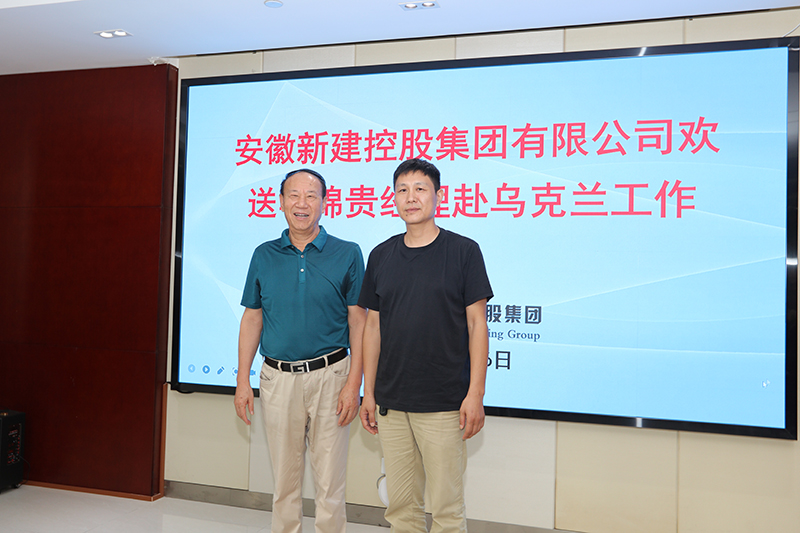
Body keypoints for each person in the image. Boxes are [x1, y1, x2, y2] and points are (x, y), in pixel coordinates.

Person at [358, 158, 493, 533]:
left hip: (444, 403)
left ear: (438, 196)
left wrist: (475, 394)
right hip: (392, 402)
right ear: (394, 198)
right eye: (402, 190)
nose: (410, 197)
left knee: (447, 510)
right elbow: (373, 327)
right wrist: (369, 393)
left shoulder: (463, 251)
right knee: (401, 508)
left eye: (420, 189)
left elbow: (477, 324)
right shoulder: (381, 255)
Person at [234, 168, 366, 533]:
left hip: (332, 377)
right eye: (294, 195)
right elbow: (252, 318)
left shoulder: (348, 253)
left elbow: (360, 321)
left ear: (324, 203)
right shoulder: (264, 255)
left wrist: (354, 383)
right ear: (281, 202)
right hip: (278, 379)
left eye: (311, 195)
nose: (302, 203)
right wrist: (243, 380)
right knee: (284, 482)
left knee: (330, 484)